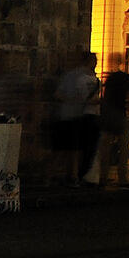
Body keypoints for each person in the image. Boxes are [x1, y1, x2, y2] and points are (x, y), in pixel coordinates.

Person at [52, 54, 101, 187]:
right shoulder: (82, 77)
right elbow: (60, 94)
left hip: (74, 115)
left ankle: (69, 175)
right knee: (72, 148)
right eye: (94, 61)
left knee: (70, 148)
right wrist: (74, 101)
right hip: (75, 114)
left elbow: (59, 94)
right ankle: (71, 176)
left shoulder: (74, 75)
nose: (95, 64)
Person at [97, 59, 129, 189]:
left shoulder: (110, 78)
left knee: (105, 148)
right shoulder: (127, 78)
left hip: (108, 114)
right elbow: (128, 98)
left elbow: (104, 97)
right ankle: (122, 179)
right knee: (123, 148)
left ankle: (103, 177)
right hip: (120, 114)